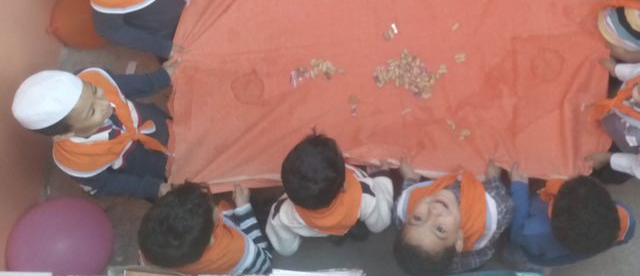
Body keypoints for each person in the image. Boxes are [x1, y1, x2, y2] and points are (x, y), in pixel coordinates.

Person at [11, 63, 174, 199]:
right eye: (92, 111)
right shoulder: (77, 161)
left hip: (155, 122)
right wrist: (152, 188)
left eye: (95, 91)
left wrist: (160, 77)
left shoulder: (91, 79)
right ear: (65, 134)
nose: (105, 103)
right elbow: (106, 184)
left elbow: (123, 85)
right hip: (145, 167)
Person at [266, 133, 394, 255]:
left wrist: (291, 244)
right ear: (344, 186)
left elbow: (285, 247)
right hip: (350, 218)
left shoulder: (283, 213)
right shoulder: (363, 194)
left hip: (312, 227)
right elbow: (381, 222)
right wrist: (381, 176)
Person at [393, 157, 513, 274]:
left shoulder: (401, 212)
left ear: (406, 220)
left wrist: (410, 179)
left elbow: (406, 198)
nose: (433, 212)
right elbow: (505, 204)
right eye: (440, 229)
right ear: (458, 239)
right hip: (475, 254)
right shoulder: (492, 214)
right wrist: (493, 179)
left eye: (418, 218)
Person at [504, 167, 634, 270]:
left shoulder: (535, 233)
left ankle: (521, 265)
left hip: (535, 252)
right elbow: (626, 234)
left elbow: (517, 232)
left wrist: (519, 187)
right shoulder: (623, 218)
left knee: (516, 255)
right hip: (559, 253)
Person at [138, 181, 271, 275]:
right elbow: (265, 263)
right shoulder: (236, 250)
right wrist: (243, 208)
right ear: (211, 240)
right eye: (215, 212)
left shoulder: (151, 252)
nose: (218, 210)